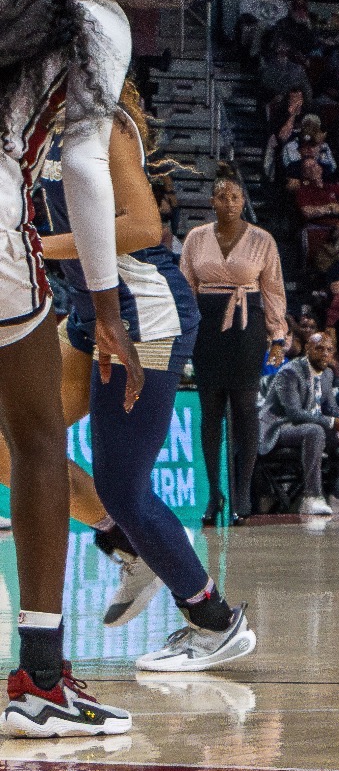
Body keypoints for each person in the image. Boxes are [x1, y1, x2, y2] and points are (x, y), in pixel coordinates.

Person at [5, 79, 251, 674]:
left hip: (146, 314)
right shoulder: (40, 131)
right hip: (92, 313)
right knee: (13, 442)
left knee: (125, 484)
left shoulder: (102, 126)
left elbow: (143, 226)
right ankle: (127, 542)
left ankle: (215, 622)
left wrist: (33, 246)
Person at [0, 0, 147, 737]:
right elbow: (86, 169)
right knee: (37, 438)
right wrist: (102, 304)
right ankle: (43, 678)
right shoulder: (92, 18)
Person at [182, 176, 287, 525]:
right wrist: (183, 333)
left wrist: (277, 336)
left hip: (248, 322)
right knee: (210, 410)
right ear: (212, 201)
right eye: (223, 197)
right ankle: (214, 494)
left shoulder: (262, 239)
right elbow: (186, 286)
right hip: (206, 324)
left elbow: (273, 288)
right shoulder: (196, 238)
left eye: (236, 197)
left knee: (244, 407)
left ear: (243, 201)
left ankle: (242, 492)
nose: (229, 202)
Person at [260, 331, 339, 514]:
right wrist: (334, 422)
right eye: (319, 348)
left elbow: (331, 408)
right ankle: (311, 497)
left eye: (329, 350)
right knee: (315, 431)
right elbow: (295, 414)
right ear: (307, 349)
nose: (324, 353)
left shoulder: (327, 374)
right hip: (278, 427)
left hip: (308, 426)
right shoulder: (290, 372)